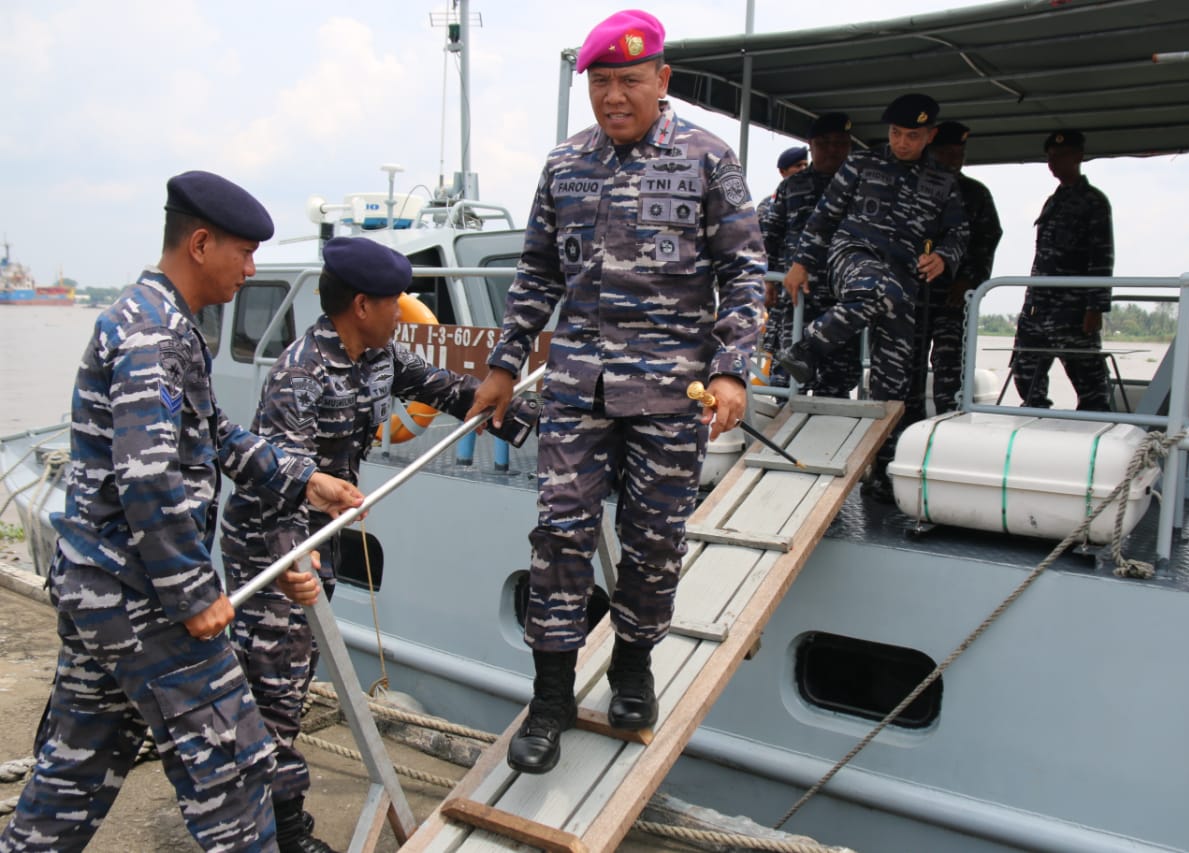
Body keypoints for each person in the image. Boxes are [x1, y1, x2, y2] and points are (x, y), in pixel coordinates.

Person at [0, 171, 365, 853]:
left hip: (102, 590)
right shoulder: (154, 335)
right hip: (144, 599)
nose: (251, 269)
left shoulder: (160, 321)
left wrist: (304, 479)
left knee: (73, 769)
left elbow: (215, 434)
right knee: (236, 768)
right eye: (245, 252)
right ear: (201, 243)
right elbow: (149, 480)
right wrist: (195, 593)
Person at [465, 9, 765, 776]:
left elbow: (744, 273)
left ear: (662, 81)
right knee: (559, 537)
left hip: (671, 395)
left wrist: (732, 366)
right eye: (600, 83)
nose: (613, 97)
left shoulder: (707, 160)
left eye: (629, 81)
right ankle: (551, 697)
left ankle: (633, 665)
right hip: (575, 390)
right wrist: (503, 363)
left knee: (654, 541)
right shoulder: (565, 164)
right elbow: (536, 273)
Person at [219, 236, 527, 851]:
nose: (402, 308)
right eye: (395, 300)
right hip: (273, 547)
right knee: (274, 693)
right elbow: (285, 484)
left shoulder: (377, 353)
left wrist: (514, 413)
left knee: (293, 679)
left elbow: (438, 385)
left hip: (321, 535)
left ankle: (272, 818)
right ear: (362, 305)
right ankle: (282, 830)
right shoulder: (299, 376)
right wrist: (294, 562)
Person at [773, 93, 969, 499]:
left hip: (903, 276)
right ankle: (808, 346)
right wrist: (801, 263)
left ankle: (881, 470)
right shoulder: (861, 164)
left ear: (930, 135)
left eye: (912, 136)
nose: (901, 142)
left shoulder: (942, 182)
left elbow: (959, 232)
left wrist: (945, 258)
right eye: (896, 133)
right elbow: (825, 215)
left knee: (894, 380)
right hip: (853, 255)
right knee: (878, 290)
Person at [1010, 129, 1114, 410]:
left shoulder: (1093, 202)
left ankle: (1094, 436)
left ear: (1079, 157)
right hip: (1038, 308)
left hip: (1072, 310)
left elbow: (1102, 257)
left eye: (1062, 156)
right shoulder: (1053, 202)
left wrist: (1095, 307)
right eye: (1051, 157)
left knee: (1089, 383)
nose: (1055, 163)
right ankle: (1036, 424)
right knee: (1025, 372)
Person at [759, 112, 862, 396]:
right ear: (811, 145)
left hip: (841, 303)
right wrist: (767, 280)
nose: (832, 149)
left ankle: (833, 436)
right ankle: (781, 437)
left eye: (840, 143)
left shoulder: (861, 188)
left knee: (838, 380)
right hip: (796, 297)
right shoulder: (792, 186)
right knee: (789, 377)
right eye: (824, 143)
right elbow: (770, 235)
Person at [907, 120, 1003, 417]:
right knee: (908, 367)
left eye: (959, 153)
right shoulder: (909, 187)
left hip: (952, 295)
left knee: (950, 367)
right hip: (912, 297)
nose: (954, 159)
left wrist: (969, 281)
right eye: (946, 152)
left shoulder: (975, 194)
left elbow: (987, 240)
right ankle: (904, 430)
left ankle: (949, 425)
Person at [756, 146, 809, 227]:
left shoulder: (818, 197)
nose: (803, 169)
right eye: (798, 166)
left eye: (806, 165)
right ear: (782, 171)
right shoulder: (767, 205)